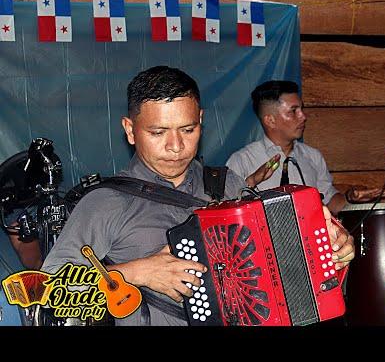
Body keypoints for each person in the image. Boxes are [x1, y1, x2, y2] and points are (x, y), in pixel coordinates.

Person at [41, 66, 354, 326]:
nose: (176, 147)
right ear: (130, 129)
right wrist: (137, 271)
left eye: (188, 130)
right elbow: (48, 290)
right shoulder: (106, 202)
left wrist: (328, 248)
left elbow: (276, 261)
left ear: (201, 121)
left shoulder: (226, 186)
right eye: (158, 132)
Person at [226, 80, 383, 216]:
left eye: (302, 109)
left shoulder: (313, 156)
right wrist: (250, 182)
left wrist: (350, 199)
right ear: (270, 120)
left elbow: (329, 201)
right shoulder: (242, 160)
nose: (303, 116)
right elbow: (226, 211)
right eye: (294, 111)